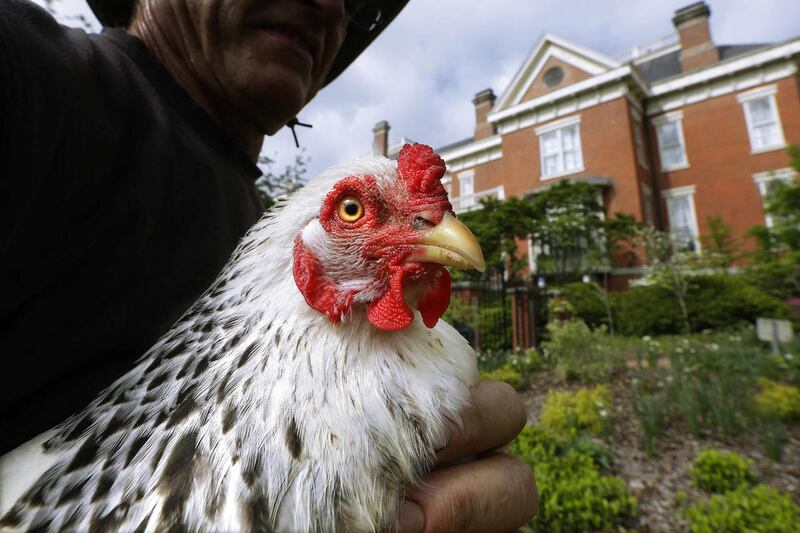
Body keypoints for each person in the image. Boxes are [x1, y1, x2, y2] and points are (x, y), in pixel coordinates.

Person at [0, 0, 538, 529]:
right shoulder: (26, 71)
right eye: (353, 211)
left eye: (352, 1)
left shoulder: (252, 222)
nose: (328, 6)